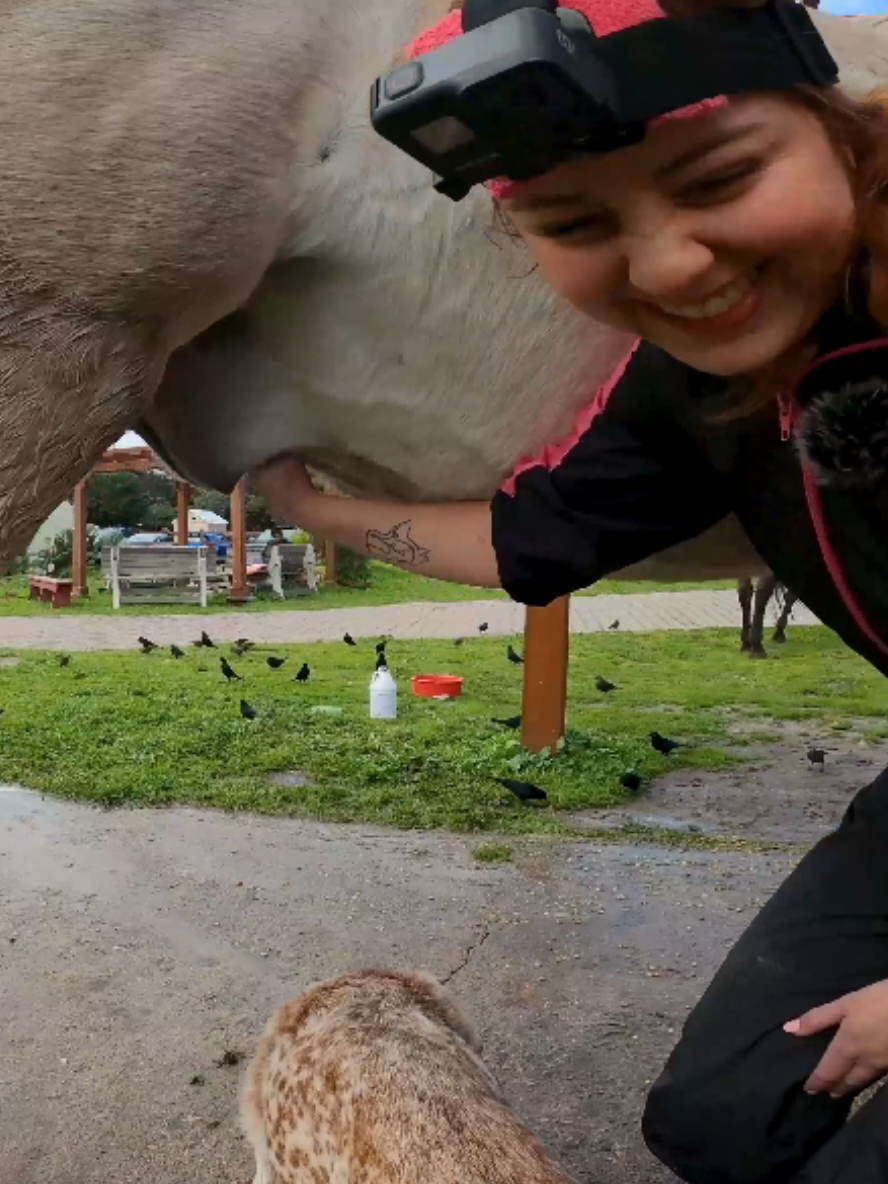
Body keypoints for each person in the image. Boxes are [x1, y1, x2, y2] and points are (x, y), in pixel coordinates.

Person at [253, 1, 888, 1180]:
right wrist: (314, 511)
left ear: (839, 124)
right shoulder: (696, 387)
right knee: (718, 1121)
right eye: (578, 221)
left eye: (722, 175)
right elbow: (527, 535)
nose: (670, 264)